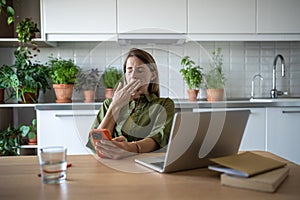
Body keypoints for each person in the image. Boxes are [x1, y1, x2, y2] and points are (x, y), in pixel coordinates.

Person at [87, 48, 175, 159]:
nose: (133, 75)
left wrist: (129, 148)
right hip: (112, 165)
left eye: (140, 70)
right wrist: (115, 106)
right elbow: (94, 142)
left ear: (153, 75)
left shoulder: (164, 104)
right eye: (129, 70)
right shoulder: (109, 104)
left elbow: (158, 138)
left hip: (146, 165)